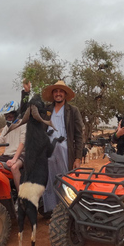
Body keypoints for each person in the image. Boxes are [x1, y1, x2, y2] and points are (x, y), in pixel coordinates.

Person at [41, 80, 84, 212]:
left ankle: (67, 211)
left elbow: (79, 135)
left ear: (65, 94)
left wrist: (77, 158)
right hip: (48, 150)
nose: (58, 94)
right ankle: (52, 211)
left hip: (65, 149)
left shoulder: (73, 111)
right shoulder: (46, 110)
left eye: (61, 91)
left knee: (65, 179)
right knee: (49, 180)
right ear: (53, 94)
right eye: (56, 91)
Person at [0, 100, 26, 192]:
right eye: (7, 116)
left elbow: (22, 143)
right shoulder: (6, 128)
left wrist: (14, 159)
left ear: (16, 114)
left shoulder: (23, 124)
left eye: (11, 116)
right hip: (7, 155)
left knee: (14, 167)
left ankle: (22, 198)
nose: (9, 118)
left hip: (22, 155)